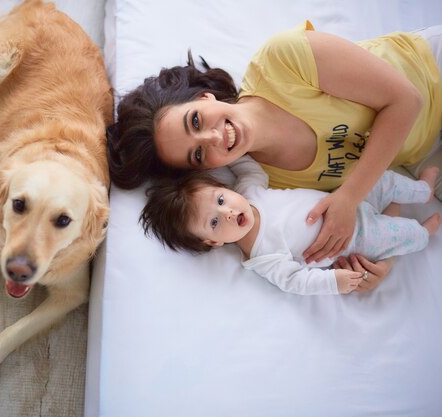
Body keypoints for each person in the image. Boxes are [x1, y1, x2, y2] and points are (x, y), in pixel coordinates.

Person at [108, 22, 442, 289]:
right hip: (423, 159)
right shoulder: (275, 189)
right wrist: (383, 260)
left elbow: (406, 101)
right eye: (197, 155)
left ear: (205, 98)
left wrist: (348, 198)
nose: (213, 138)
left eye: (195, 120)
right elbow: (374, 195)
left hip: (431, 74)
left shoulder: (283, 59)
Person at [140, 156, 441, 295]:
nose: (229, 211)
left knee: (384, 179)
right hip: (356, 236)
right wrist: (331, 282)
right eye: (215, 222)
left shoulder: (250, 192)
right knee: (401, 234)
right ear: (213, 242)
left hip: (345, 201)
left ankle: (422, 190)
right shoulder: (261, 257)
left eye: (221, 199)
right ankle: (423, 232)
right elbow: (296, 281)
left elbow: (246, 163)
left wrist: (219, 155)